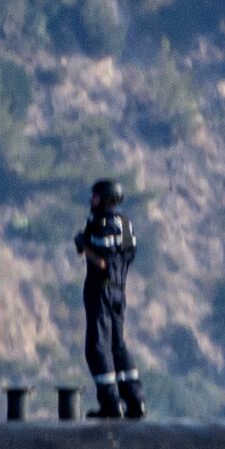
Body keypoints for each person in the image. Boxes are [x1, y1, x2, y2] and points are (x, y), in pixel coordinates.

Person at [76, 179, 142, 420]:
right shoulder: (125, 223)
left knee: (97, 348)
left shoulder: (103, 223)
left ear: (106, 199)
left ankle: (111, 403)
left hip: (101, 289)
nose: (92, 201)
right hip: (119, 289)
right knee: (118, 345)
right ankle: (135, 400)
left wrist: (84, 246)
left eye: (95, 197)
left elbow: (102, 263)